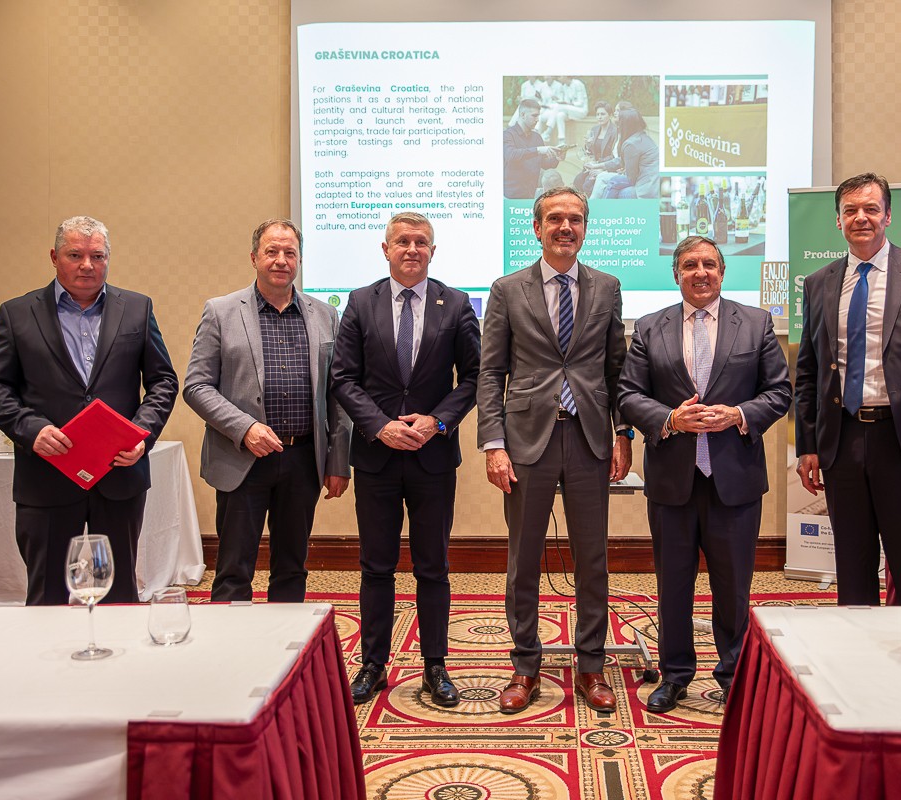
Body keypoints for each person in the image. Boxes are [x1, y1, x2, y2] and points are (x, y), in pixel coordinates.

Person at [477, 186, 633, 714]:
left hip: (589, 438)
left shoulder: (607, 287)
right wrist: (494, 444)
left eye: (576, 219)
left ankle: (591, 665)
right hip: (526, 440)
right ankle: (525, 666)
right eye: (555, 219)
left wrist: (623, 433)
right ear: (537, 227)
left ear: (585, 227)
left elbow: (616, 369)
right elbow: (491, 372)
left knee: (593, 559)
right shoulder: (507, 289)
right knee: (523, 559)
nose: (566, 227)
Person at [618, 236, 790, 711]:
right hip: (672, 479)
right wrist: (671, 419)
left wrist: (738, 414)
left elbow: (779, 391)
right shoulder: (649, 327)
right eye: (690, 265)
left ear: (722, 272)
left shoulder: (755, 323)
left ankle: (733, 674)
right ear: (676, 274)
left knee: (732, 587)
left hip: (734, 480)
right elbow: (629, 394)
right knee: (673, 585)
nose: (701, 273)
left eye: (709, 264)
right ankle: (675, 675)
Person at [0, 215, 178, 605]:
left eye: (97, 256)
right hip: (47, 476)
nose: (87, 265)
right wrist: (30, 429)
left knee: (119, 596)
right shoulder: (18, 313)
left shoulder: (137, 308)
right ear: (54, 257)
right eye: (75, 255)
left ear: (108, 258)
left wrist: (142, 436)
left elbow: (163, 382)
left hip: (119, 475)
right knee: (47, 597)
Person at [794, 173, 901, 606]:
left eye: (871, 209)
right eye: (850, 210)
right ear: (838, 220)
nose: (861, 218)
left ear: (888, 215)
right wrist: (807, 445)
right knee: (852, 566)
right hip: (842, 440)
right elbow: (809, 371)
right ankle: (858, 644)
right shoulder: (818, 283)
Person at [331, 212, 481, 707]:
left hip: (432, 457)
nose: (412, 249)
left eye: (421, 242)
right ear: (386, 249)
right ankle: (373, 664)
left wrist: (437, 421)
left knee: (432, 566)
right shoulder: (360, 302)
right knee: (376, 565)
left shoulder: (455, 303)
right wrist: (380, 426)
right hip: (376, 457)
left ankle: (435, 666)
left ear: (433, 251)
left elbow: (474, 377)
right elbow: (343, 378)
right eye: (402, 241)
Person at [183, 219, 351, 603]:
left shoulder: (325, 315)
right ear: (254, 257)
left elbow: (337, 394)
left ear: (300, 260)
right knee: (233, 570)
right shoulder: (221, 311)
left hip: (302, 459)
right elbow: (196, 386)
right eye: (271, 251)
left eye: (290, 252)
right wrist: (245, 428)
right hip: (241, 457)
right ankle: (233, 643)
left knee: (292, 567)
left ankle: (286, 640)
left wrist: (338, 461)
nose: (281, 260)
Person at [589, 108, 660, 200]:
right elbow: (622, 160)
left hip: (646, 188)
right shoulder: (642, 137)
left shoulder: (631, 144)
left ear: (625, 125)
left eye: (619, 124)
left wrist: (618, 172)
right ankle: (595, 204)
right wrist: (597, 166)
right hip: (650, 183)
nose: (617, 127)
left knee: (614, 183)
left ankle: (602, 208)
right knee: (602, 176)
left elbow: (631, 177)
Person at [503, 97, 562, 200]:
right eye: (534, 115)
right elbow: (511, 155)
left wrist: (557, 158)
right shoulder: (508, 134)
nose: (537, 119)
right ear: (522, 115)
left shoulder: (537, 137)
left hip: (530, 196)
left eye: (538, 115)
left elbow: (544, 164)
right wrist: (538, 150)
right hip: (510, 198)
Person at [572, 101, 617, 196]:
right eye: (597, 114)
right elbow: (589, 152)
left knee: (587, 185)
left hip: (606, 166)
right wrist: (588, 145)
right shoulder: (594, 129)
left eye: (602, 114)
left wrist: (598, 164)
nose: (599, 117)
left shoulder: (615, 131)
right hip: (593, 165)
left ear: (610, 115)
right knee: (577, 181)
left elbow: (615, 155)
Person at [540, 76, 589, 146]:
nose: (558, 79)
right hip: (570, 111)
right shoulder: (564, 87)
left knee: (557, 106)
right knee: (559, 115)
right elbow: (566, 102)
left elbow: (580, 103)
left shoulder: (577, 84)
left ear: (566, 76)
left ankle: (548, 132)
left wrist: (567, 104)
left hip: (581, 110)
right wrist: (558, 100)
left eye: (560, 76)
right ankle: (562, 140)